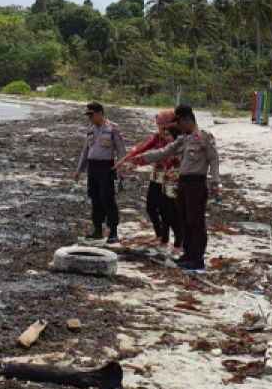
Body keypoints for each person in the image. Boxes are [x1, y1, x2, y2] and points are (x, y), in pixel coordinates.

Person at [131, 105, 219, 270]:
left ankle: (197, 257)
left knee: (196, 221)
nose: (179, 127)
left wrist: (215, 181)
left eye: (180, 123)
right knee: (183, 219)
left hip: (196, 183)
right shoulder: (183, 139)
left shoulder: (205, 137)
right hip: (182, 183)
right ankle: (188, 254)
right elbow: (164, 152)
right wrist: (141, 158)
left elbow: (214, 159)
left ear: (187, 119)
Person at [115, 110, 181, 253]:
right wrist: (127, 160)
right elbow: (143, 149)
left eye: (163, 125)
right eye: (158, 125)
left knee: (168, 210)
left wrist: (134, 162)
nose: (160, 128)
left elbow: (160, 154)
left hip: (170, 178)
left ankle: (171, 240)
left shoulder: (176, 138)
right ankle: (160, 235)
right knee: (151, 207)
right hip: (156, 175)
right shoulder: (157, 136)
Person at [71, 101, 126, 243]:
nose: (90, 118)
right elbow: (85, 151)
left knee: (107, 199)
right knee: (95, 198)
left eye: (92, 115)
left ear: (101, 113)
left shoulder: (113, 129)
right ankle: (97, 229)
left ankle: (113, 231)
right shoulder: (90, 130)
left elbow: (121, 151)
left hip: (106, 167)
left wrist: (121, 170)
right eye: (88, 115)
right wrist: (79, 170)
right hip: (93, 167)